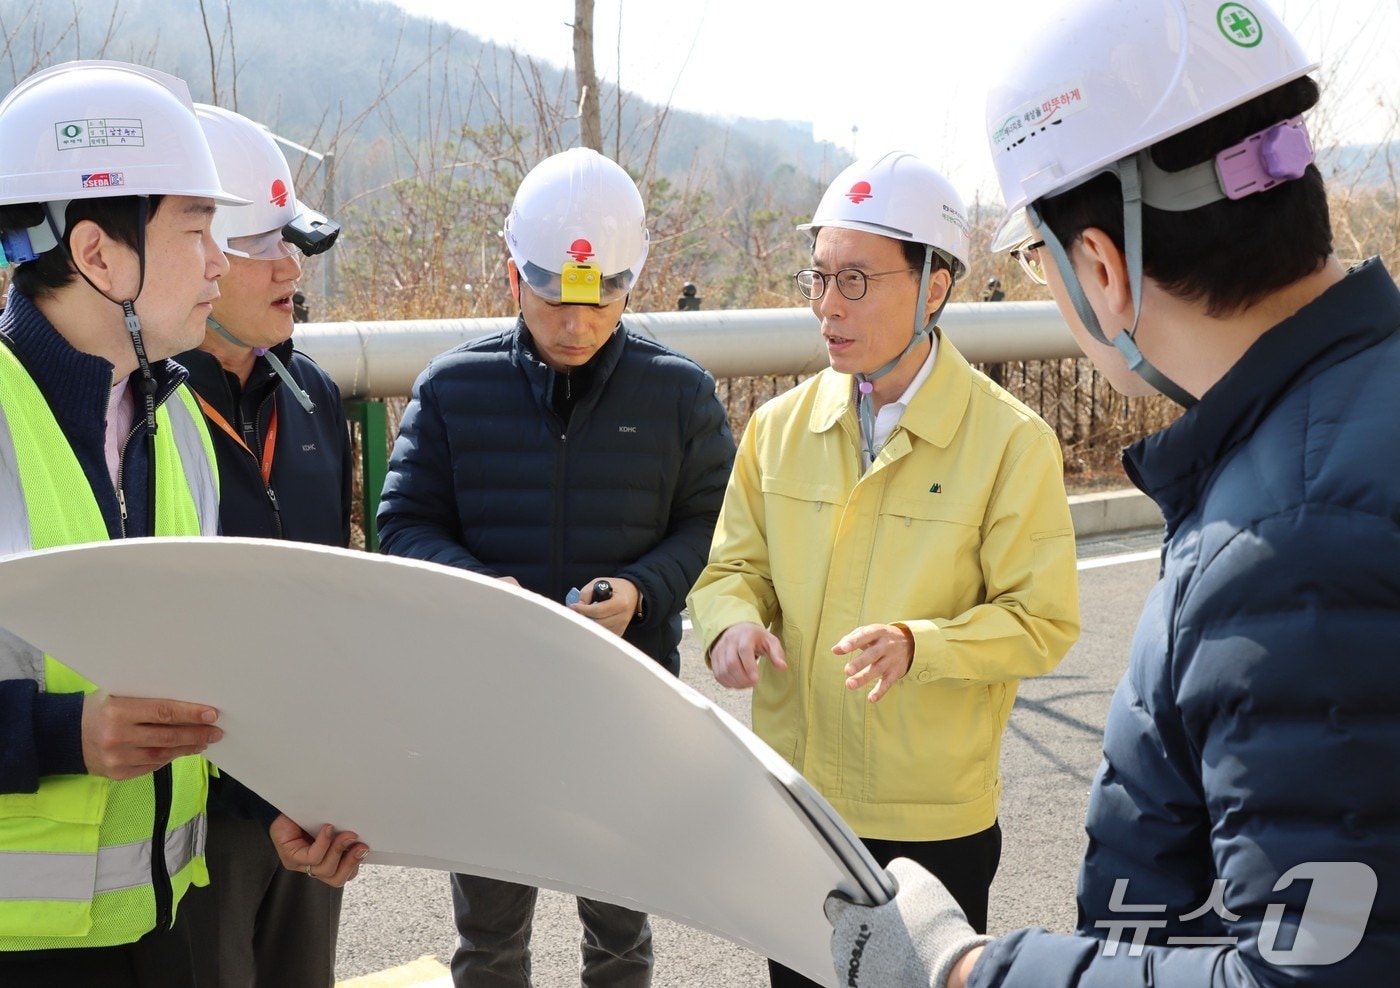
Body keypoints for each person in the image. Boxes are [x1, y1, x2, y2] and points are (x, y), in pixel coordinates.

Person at [823, 2, 1400, 986]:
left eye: (1037, 260)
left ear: (1098, 264)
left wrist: (963, 968)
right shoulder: (1335, 428)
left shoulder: (1292, 538)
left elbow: (1308, 974)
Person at [0, 61, 364, 986]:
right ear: (97, 254)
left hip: (160, 931)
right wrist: (58, 737)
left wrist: (283, 797)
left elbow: (194, 685)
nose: (218, 260)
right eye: (199, 228)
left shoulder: (172, 432)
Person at [686, 150, 1080, 988]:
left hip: (933, 823)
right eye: (819, 278)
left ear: (935, 285)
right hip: (798, 811)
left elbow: (1042, 621)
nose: (829, 306)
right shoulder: (777, 428)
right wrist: (730, 626)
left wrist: (919, 644)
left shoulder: (1011, 442)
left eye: (857, 280)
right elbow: (730, 569)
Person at [377, 146, 736, 988]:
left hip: (623, 705)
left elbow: (710, 528)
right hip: (490, 713)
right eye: (552, 300)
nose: (575, 324)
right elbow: (403, 522)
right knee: (489, 944)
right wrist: (478, 588)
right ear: (513, 277)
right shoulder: (452, 389)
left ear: (631, 282)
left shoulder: (678, 395)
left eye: (602, 298)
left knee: (620, 940)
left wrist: (643, 589)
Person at [171, 102, 352, 988]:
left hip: (307, 795)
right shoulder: (145, 410)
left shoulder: (315, 395)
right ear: (200, 254)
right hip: (189, 806)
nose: (292, 267)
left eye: (295, 242)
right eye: (265, 247)